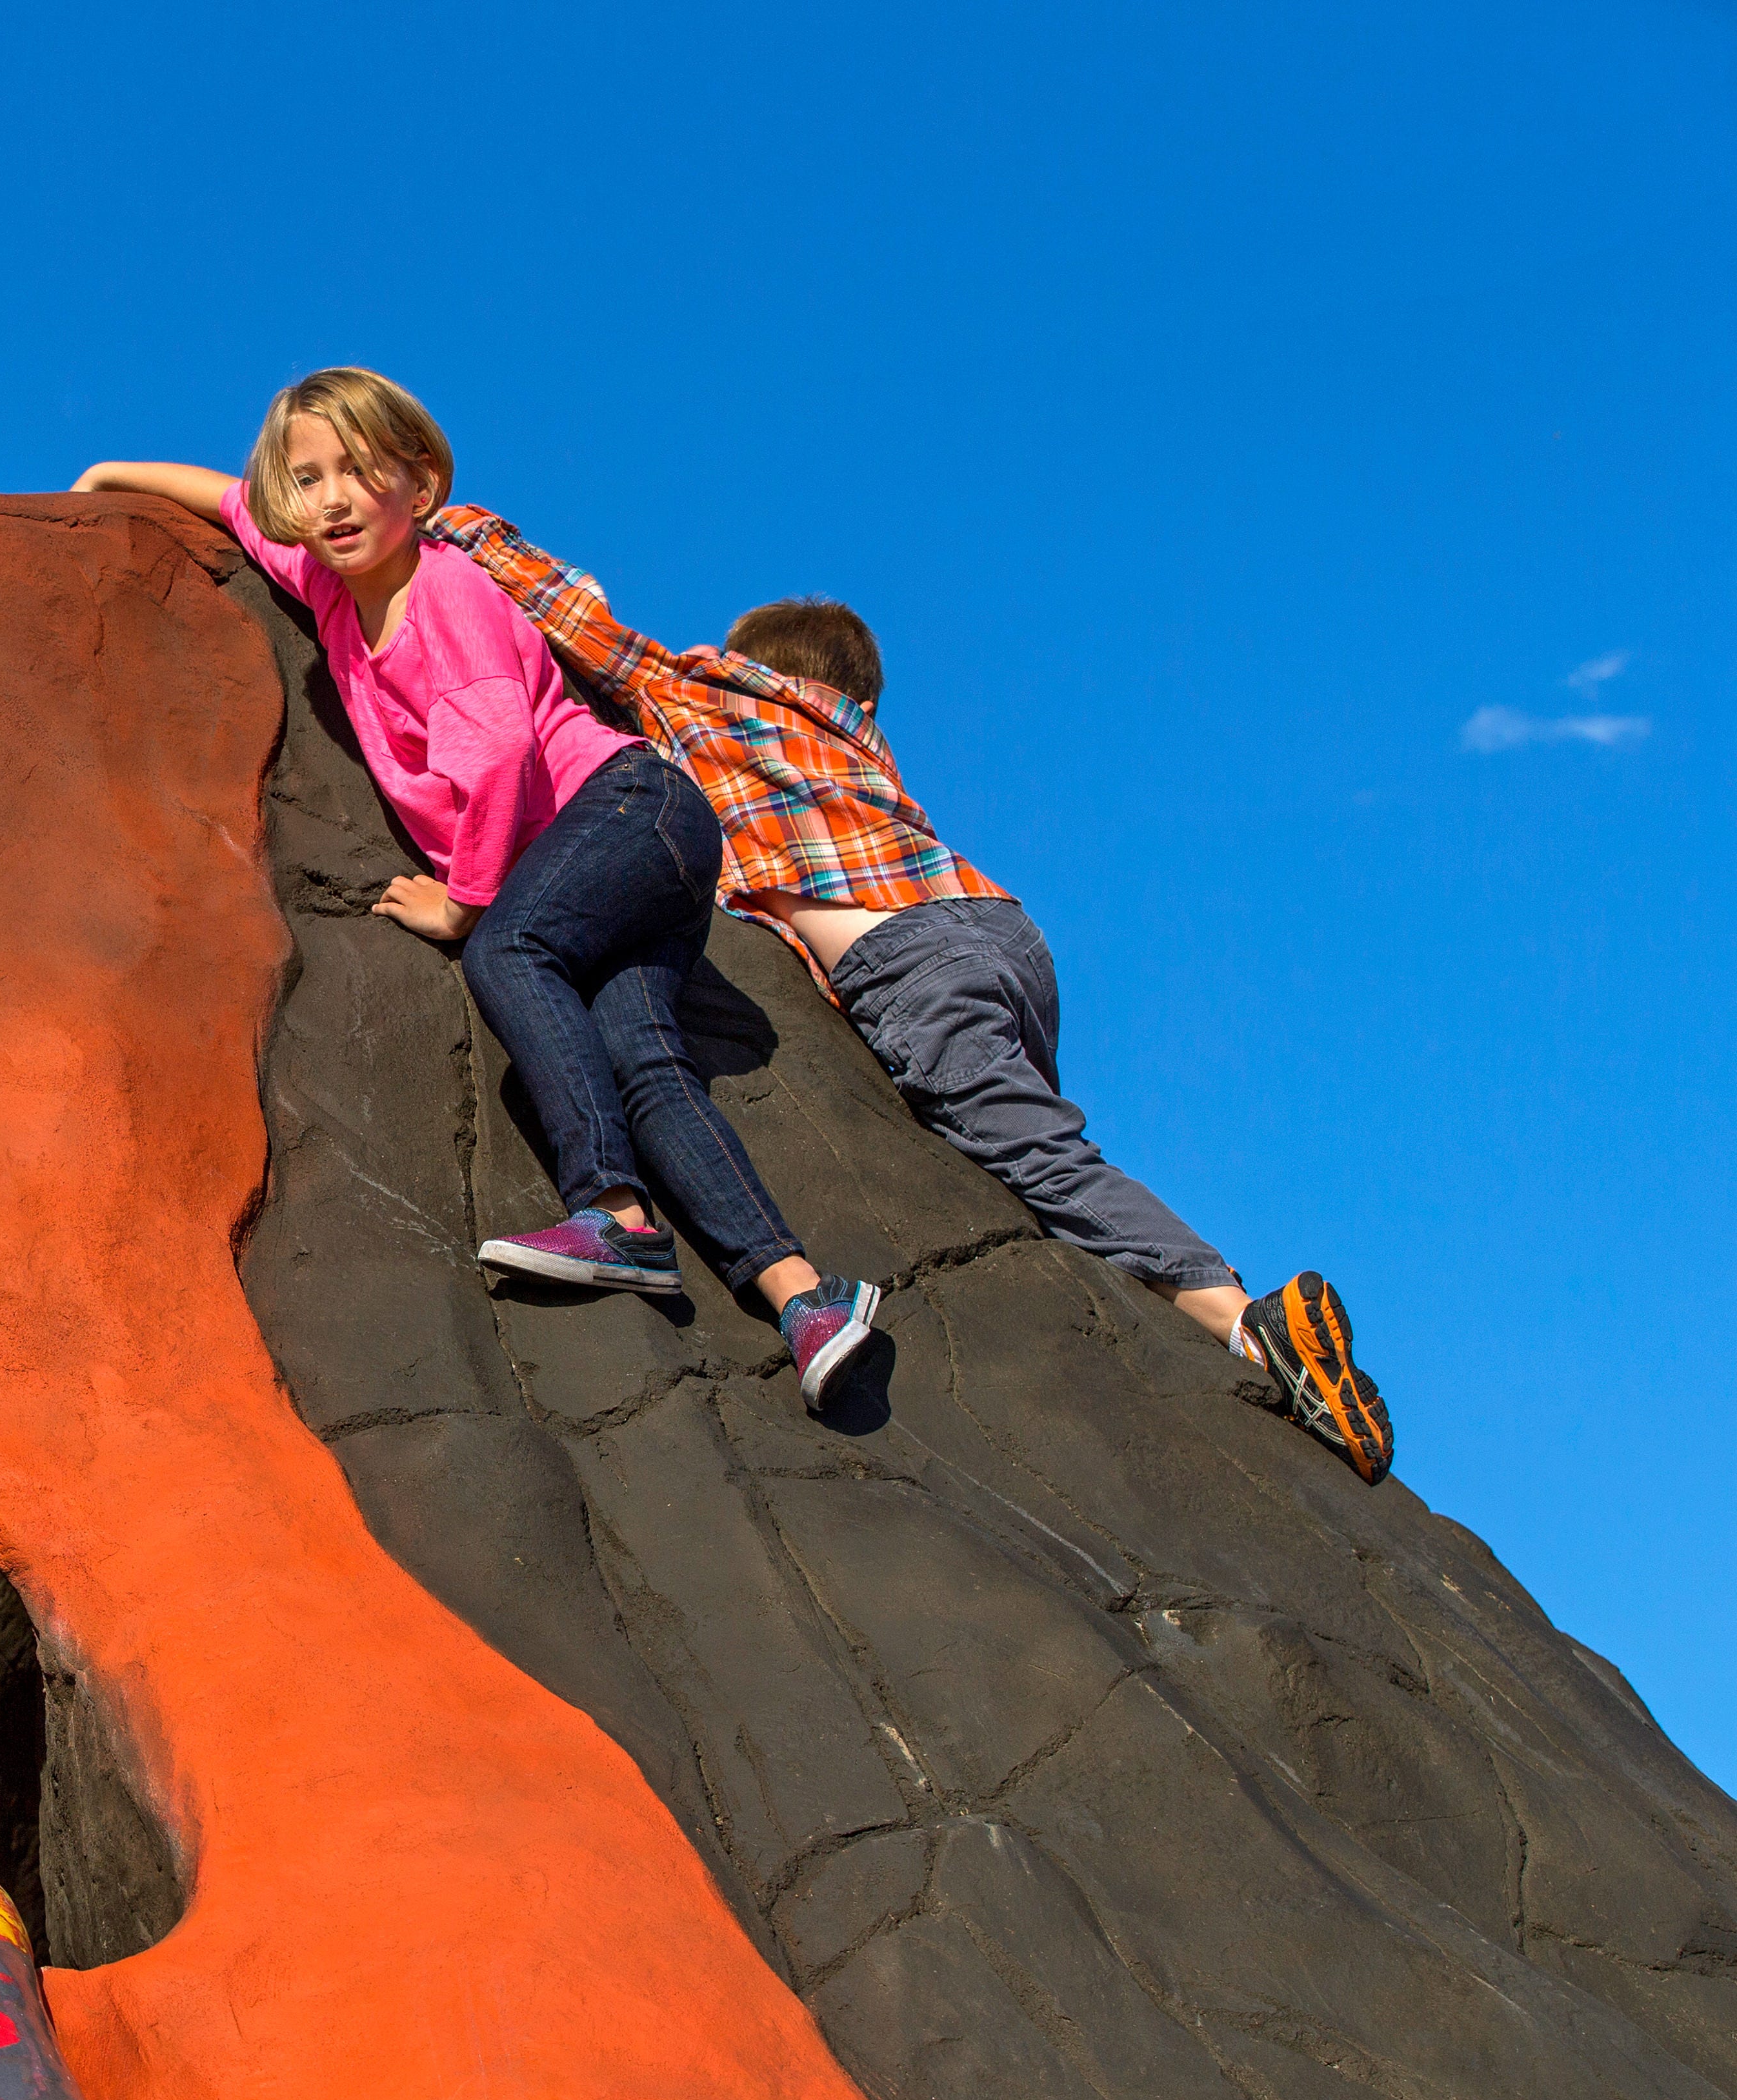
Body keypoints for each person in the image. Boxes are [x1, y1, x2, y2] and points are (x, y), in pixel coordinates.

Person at [425, 507, 1394, 1483]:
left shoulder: (712, 694)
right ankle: (1175, 1305)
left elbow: (571, 611)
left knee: (1039, 1158)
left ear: (748, 660)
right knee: (1026, 1154)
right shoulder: (859, 743)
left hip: (904, 957)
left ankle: (1247, 1323)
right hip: (1003, 934)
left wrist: (440, 514)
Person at [75, 369, 885, 1410]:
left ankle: (616, 1216)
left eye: (359, 473)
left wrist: (462, 902)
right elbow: (227, 498)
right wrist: (111, 474)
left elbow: (501, 754)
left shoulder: (442, 592)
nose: (331, 499)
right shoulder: (327, 585)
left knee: (509, 949)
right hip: (623, 865)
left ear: (418, 483)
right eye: (308, 478)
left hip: (628, 811)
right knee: (646, 1060)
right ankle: (805, 1297)